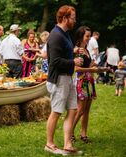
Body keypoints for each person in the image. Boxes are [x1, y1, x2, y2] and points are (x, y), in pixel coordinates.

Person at [44, 5, 83, 155]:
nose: (75, 20)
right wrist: (73, 62)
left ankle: (67, 144)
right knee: (56, 111)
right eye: (73, 18)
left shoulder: (65, 34)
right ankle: (49, 144)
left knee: (73, 109)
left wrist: (72, 51)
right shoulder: (55, 35)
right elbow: (54, 61)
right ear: (65, 18)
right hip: (59, 79)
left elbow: (63, 53)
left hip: (68, 78)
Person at [71, 26, 108, 144]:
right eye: (87, 36)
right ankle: (70, 132)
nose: (89, 38)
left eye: (90, 35)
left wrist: (96, 66)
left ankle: (83, 134)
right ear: (81, 36)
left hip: (89, 81)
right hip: (82, 81)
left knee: (86, 111)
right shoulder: (79, 50)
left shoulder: (86, 49)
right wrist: (92, 70)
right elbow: (76, 69)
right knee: (80, 110)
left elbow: (89, 66)